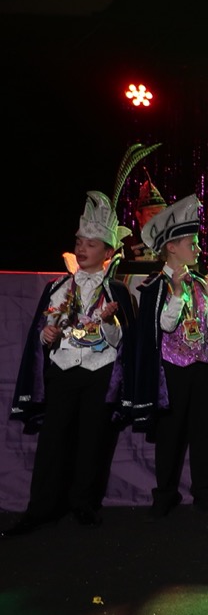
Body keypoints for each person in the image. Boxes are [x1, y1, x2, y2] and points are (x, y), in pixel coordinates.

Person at [2, 192, 135, 537]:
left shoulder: (116, 292)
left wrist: (109, 321)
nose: (82, 248)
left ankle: (83, 503)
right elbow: (44, 331)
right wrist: (45, 335)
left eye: (91, 244)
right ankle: (41, 508)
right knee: (53, 440)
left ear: (107, 252)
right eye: (79, 242)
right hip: (62, 371)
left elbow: (122, 343)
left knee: (92, 440)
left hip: (99, 373)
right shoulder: (58, 287)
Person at [134, 193, 208, 519]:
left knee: (204, 433)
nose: (199, 249)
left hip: (202, 367)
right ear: (172, 247)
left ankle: (205, 494)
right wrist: (177, 295)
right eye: (193, 243)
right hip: (172, 370)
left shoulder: (200, 283)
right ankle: (165, 494)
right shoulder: (157, 285)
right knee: (171, 434)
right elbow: (164, 325)